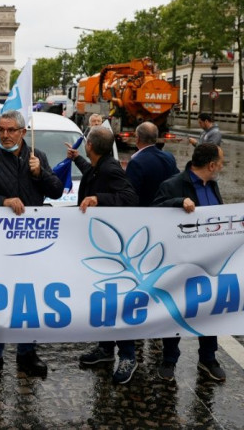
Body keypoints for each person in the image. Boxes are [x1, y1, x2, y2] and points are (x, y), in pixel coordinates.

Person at [0, 110, 64, 379]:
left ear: (23, 132)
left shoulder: (38, 157)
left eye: (11, 130)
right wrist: (3, 201)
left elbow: (56, 190)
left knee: (28, 298)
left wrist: (40, 172)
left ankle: (27, 351)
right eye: (1, 130)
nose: (5, 135)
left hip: (33, 243)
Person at [152, 143, 227, 383]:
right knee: (175, 310)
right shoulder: (172, 185)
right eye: (221, 162)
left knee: (210, 312)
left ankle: (208, 358)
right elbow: (152, 212)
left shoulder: (213, 185)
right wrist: (177, 202)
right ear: (211, 165)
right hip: (179, 262)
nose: (222, 167)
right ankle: (169, 359)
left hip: (210, 263)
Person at [75, 126, 139, 384]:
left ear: (89, 145)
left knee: (116, 300)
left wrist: (97, 199)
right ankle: (105, 349)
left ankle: (128, 355)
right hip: (98, 243)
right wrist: (76, 159)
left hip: (113, 246)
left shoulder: (110, 168)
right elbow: (92, 174)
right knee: (104, 299)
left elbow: (129, 197)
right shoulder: (98, 165)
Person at [126, 122, 179, 207]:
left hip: (145, 211)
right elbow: (177, 182)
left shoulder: (136, 163)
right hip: (167, 209)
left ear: (137, 138)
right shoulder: (169, 157)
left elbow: (130, 194)